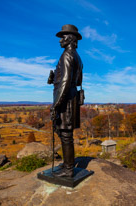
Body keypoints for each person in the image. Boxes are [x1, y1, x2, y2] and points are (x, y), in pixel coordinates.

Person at [47, 24, 83, 178]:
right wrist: (54, 77)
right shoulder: (77, 56)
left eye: (62, 37)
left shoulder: (67, 55)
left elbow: (66, 81)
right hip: (70, 97)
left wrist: (56, 104)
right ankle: (67, 163)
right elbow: (76, 79)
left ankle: (68, 169)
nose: (60, 40)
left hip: (66, 100)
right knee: (63, 133)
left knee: (66, 134)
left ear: (69, 38)